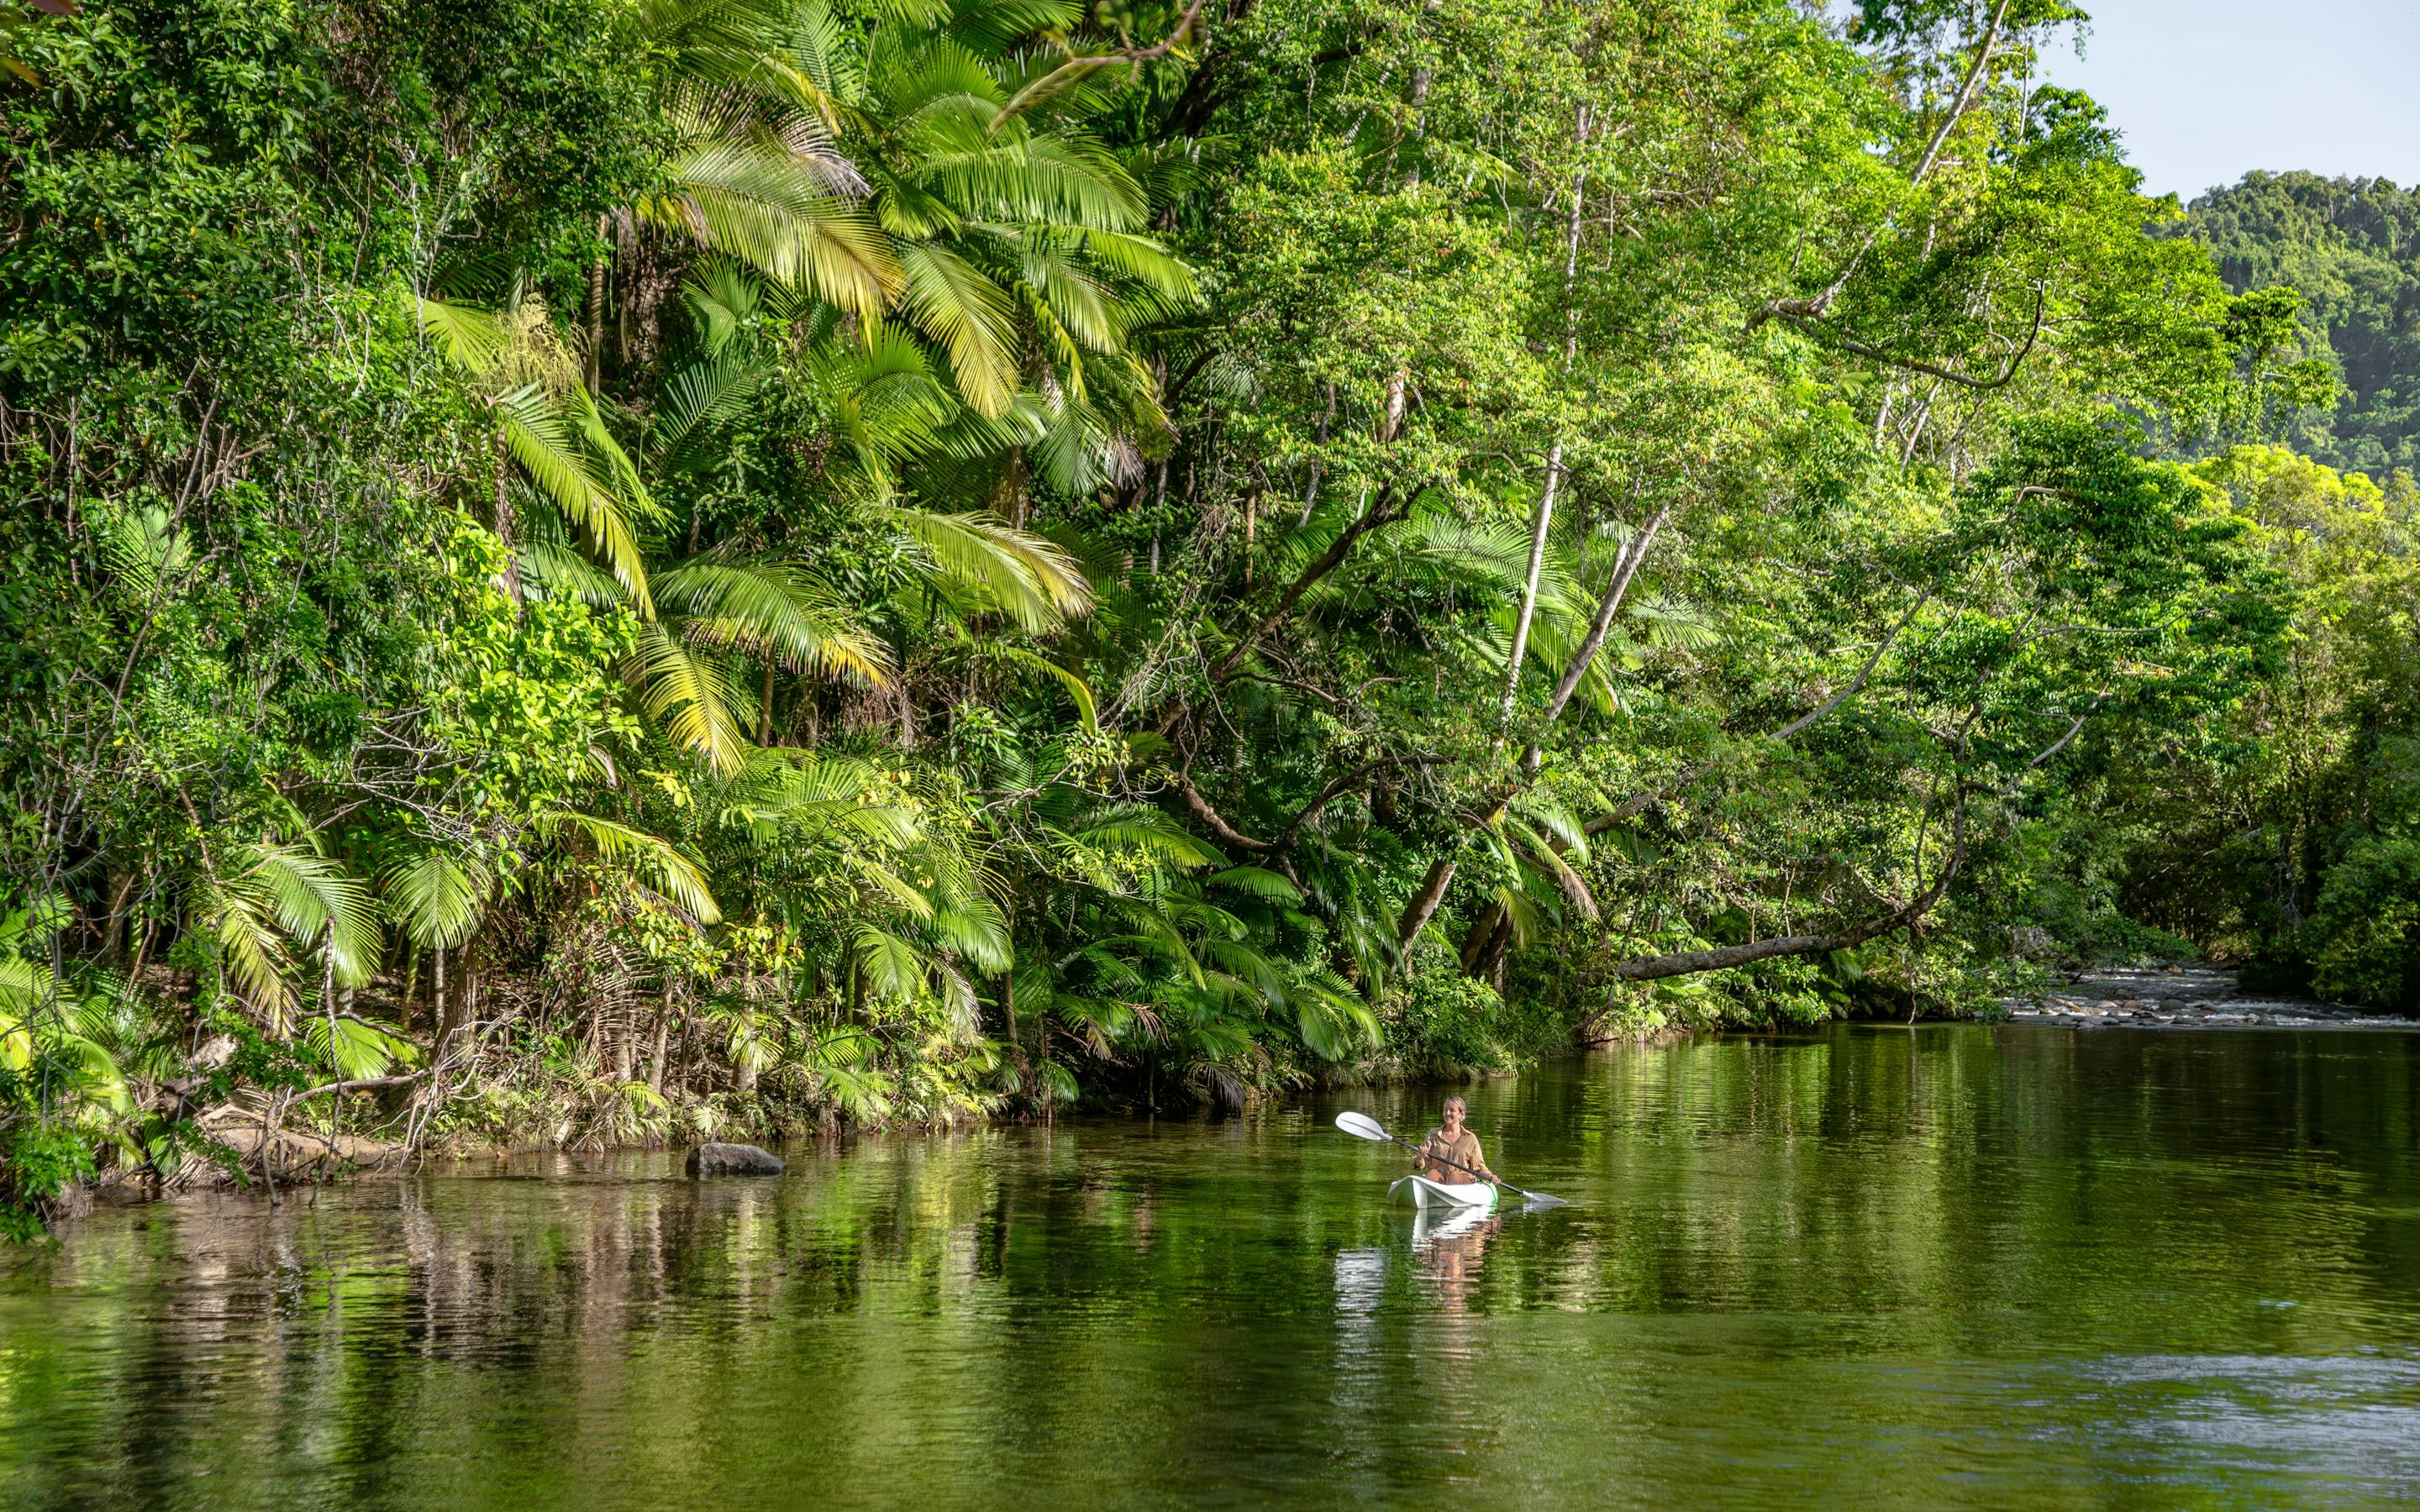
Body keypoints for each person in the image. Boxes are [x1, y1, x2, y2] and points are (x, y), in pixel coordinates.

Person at [1415, 1095, 1497, 1185]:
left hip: (1463, 1180)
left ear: (1461, 1114)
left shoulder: (1470, 1138)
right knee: (1432, 1173)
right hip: (1439, 1179)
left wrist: (1490, 1176)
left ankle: (1448, 1194)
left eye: (1452, 1110)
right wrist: (1419, 1157)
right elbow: (1419, 1166)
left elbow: (1479, 1168)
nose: (1447, 1113)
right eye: (1445, 1110)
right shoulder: (1433, 1134)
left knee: (1453, 1175)